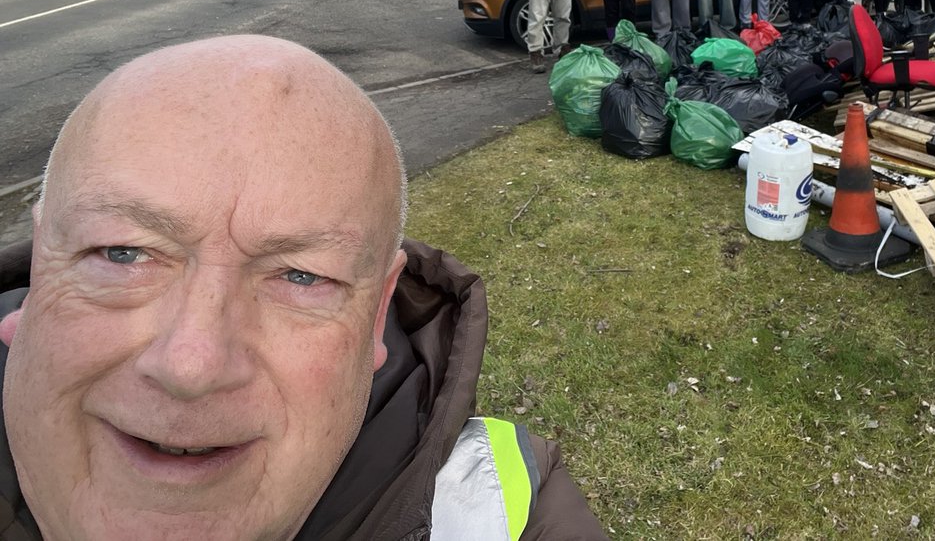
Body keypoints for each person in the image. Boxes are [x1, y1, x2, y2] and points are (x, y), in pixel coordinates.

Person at [0, 35, 607, 541]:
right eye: (122, 253)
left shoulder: (497, 512)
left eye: (301, 275)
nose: (191, 365)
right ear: (35, 283)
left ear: (376, 314)